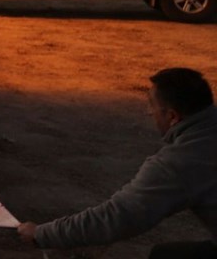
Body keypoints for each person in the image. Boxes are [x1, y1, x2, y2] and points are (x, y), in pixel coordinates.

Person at [17, 68, 217, 257]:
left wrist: (41, 234)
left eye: (152, 107)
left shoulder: (180, 162)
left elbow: (120, 216)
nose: (150, 113)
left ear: (172, 116)